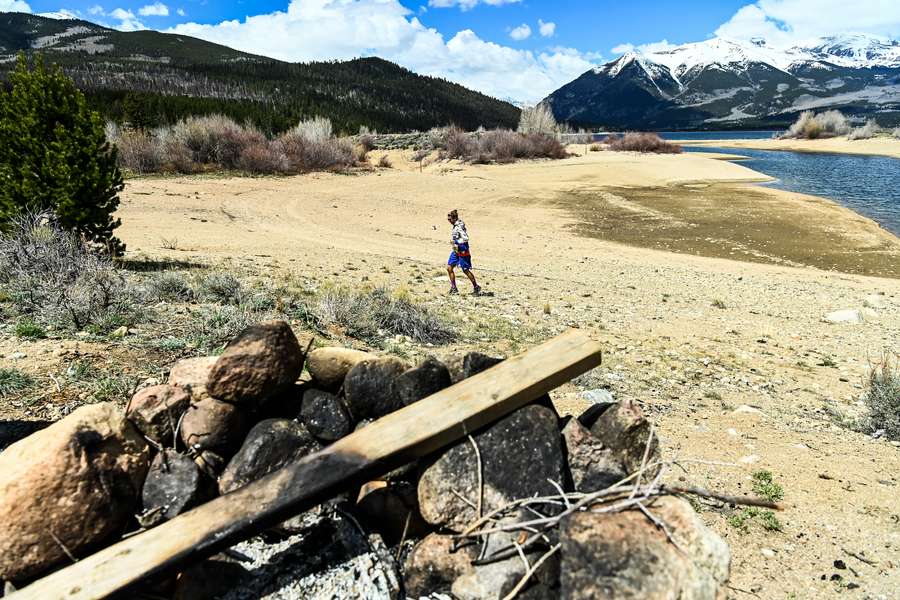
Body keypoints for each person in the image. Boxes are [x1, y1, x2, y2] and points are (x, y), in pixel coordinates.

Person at [446, 209, 482, 295]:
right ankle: (454, 288)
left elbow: (466, 238)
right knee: (449, 268)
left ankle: (476, 287)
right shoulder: (456, 225)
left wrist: (457, 242)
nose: (449, 221)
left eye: (449, 219)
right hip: (456, 250)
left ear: (454, 218)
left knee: (465, 270)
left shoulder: (459, 227)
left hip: (463, 250)